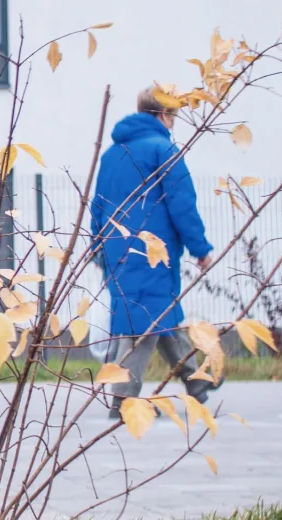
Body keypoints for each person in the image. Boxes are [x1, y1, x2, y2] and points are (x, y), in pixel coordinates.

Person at [89, 87, 217, 410]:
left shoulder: (110, 156)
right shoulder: (164, 150)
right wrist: (199, 248)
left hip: (117, 252)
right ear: (163, 115)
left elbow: (97, 206)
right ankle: (123, 400)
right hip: (152, 253)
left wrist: (97, 248)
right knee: (144, 325)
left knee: (160, 317)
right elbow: (182, 204)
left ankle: (196, 378)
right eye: (173, 116)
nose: (173, 123)